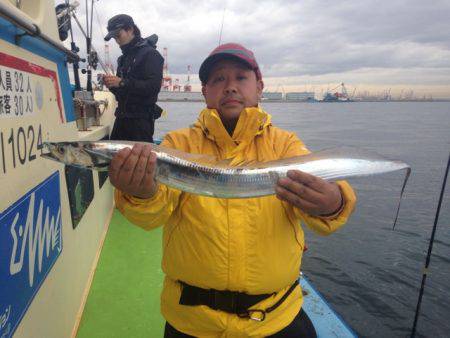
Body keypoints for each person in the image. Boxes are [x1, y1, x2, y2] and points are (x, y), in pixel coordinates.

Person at [109, 43, 357, 337]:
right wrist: (141, 193)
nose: (230, 87)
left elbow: (327, 187)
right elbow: (152, 214)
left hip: (277, 318)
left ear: (259, 86)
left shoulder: (285, 144)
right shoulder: (178, 144)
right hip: (192, 323)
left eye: (241, 77)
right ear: (205, 92)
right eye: (218, 80)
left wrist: (334, 202)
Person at [103, 14, 164, 142]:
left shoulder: (151, 54)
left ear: (130, 29)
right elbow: (122, 92)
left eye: (118, 35)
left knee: (140, 161)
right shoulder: (122, 59)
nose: (117, 40)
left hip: (140, 123)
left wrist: (122, 82)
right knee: (114, 160)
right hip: (121, 119)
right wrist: (112, 85)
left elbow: (152, 88)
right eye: (114, 38)